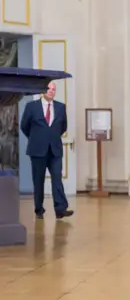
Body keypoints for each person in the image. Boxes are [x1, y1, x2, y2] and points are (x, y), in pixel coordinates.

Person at [20, 81, 73, 220]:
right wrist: (37, 138)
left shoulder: (61, 107)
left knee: (57, 179)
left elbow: (63, 127)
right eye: (49, 89)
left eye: (54, 89)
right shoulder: (31, 107)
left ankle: (60, 209)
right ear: (43, 90)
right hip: (37, 150)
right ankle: (39, 209)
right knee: (38, 180)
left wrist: (51, 137)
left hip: (55, 150)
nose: (51, 91)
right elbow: (24, 126)